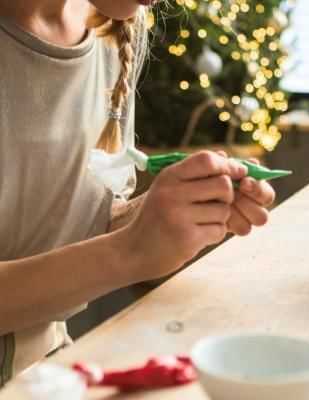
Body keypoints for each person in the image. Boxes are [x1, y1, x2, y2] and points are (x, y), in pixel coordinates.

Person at [0, 0, 276, 385]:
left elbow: (78, 220)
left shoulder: (113, 23)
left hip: (44, 373)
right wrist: (128, 252)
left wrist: (165, 218)